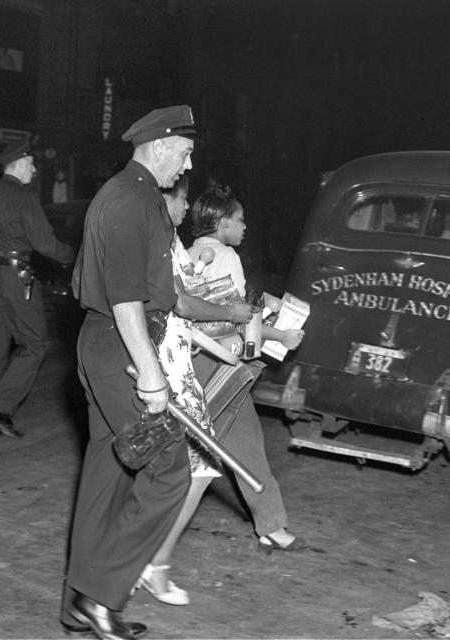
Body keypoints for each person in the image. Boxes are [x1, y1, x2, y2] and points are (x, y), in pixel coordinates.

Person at [59, 105, 197, 640]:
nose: (185, 167)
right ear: (160, 145)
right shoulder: (127, 199)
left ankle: (78, 601)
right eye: (184, 154)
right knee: (170, 472)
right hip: (122, 346)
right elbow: (124, 300)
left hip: (114, 344)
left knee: (109, 468)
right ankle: (102, 596)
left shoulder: (133, 196)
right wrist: (151, 373)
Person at [138, 184, 306, 606]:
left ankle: (271, 523)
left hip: (189, 360)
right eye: (240, 219)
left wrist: (259, 306)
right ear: (223, 222)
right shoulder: (226, 256)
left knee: (243, 440)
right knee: (201, 460)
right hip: (218, 365)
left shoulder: (189, 251)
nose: (246, 226)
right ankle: (152, 554)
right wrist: (282, 333)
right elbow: (233, 321)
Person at [0, 139, 75, 439]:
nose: (35, 169)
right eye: (31, 163)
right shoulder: (24, 197)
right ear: (17, 164)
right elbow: (45, 244)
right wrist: (75, 257)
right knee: (36, 343)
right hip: (16, 278)